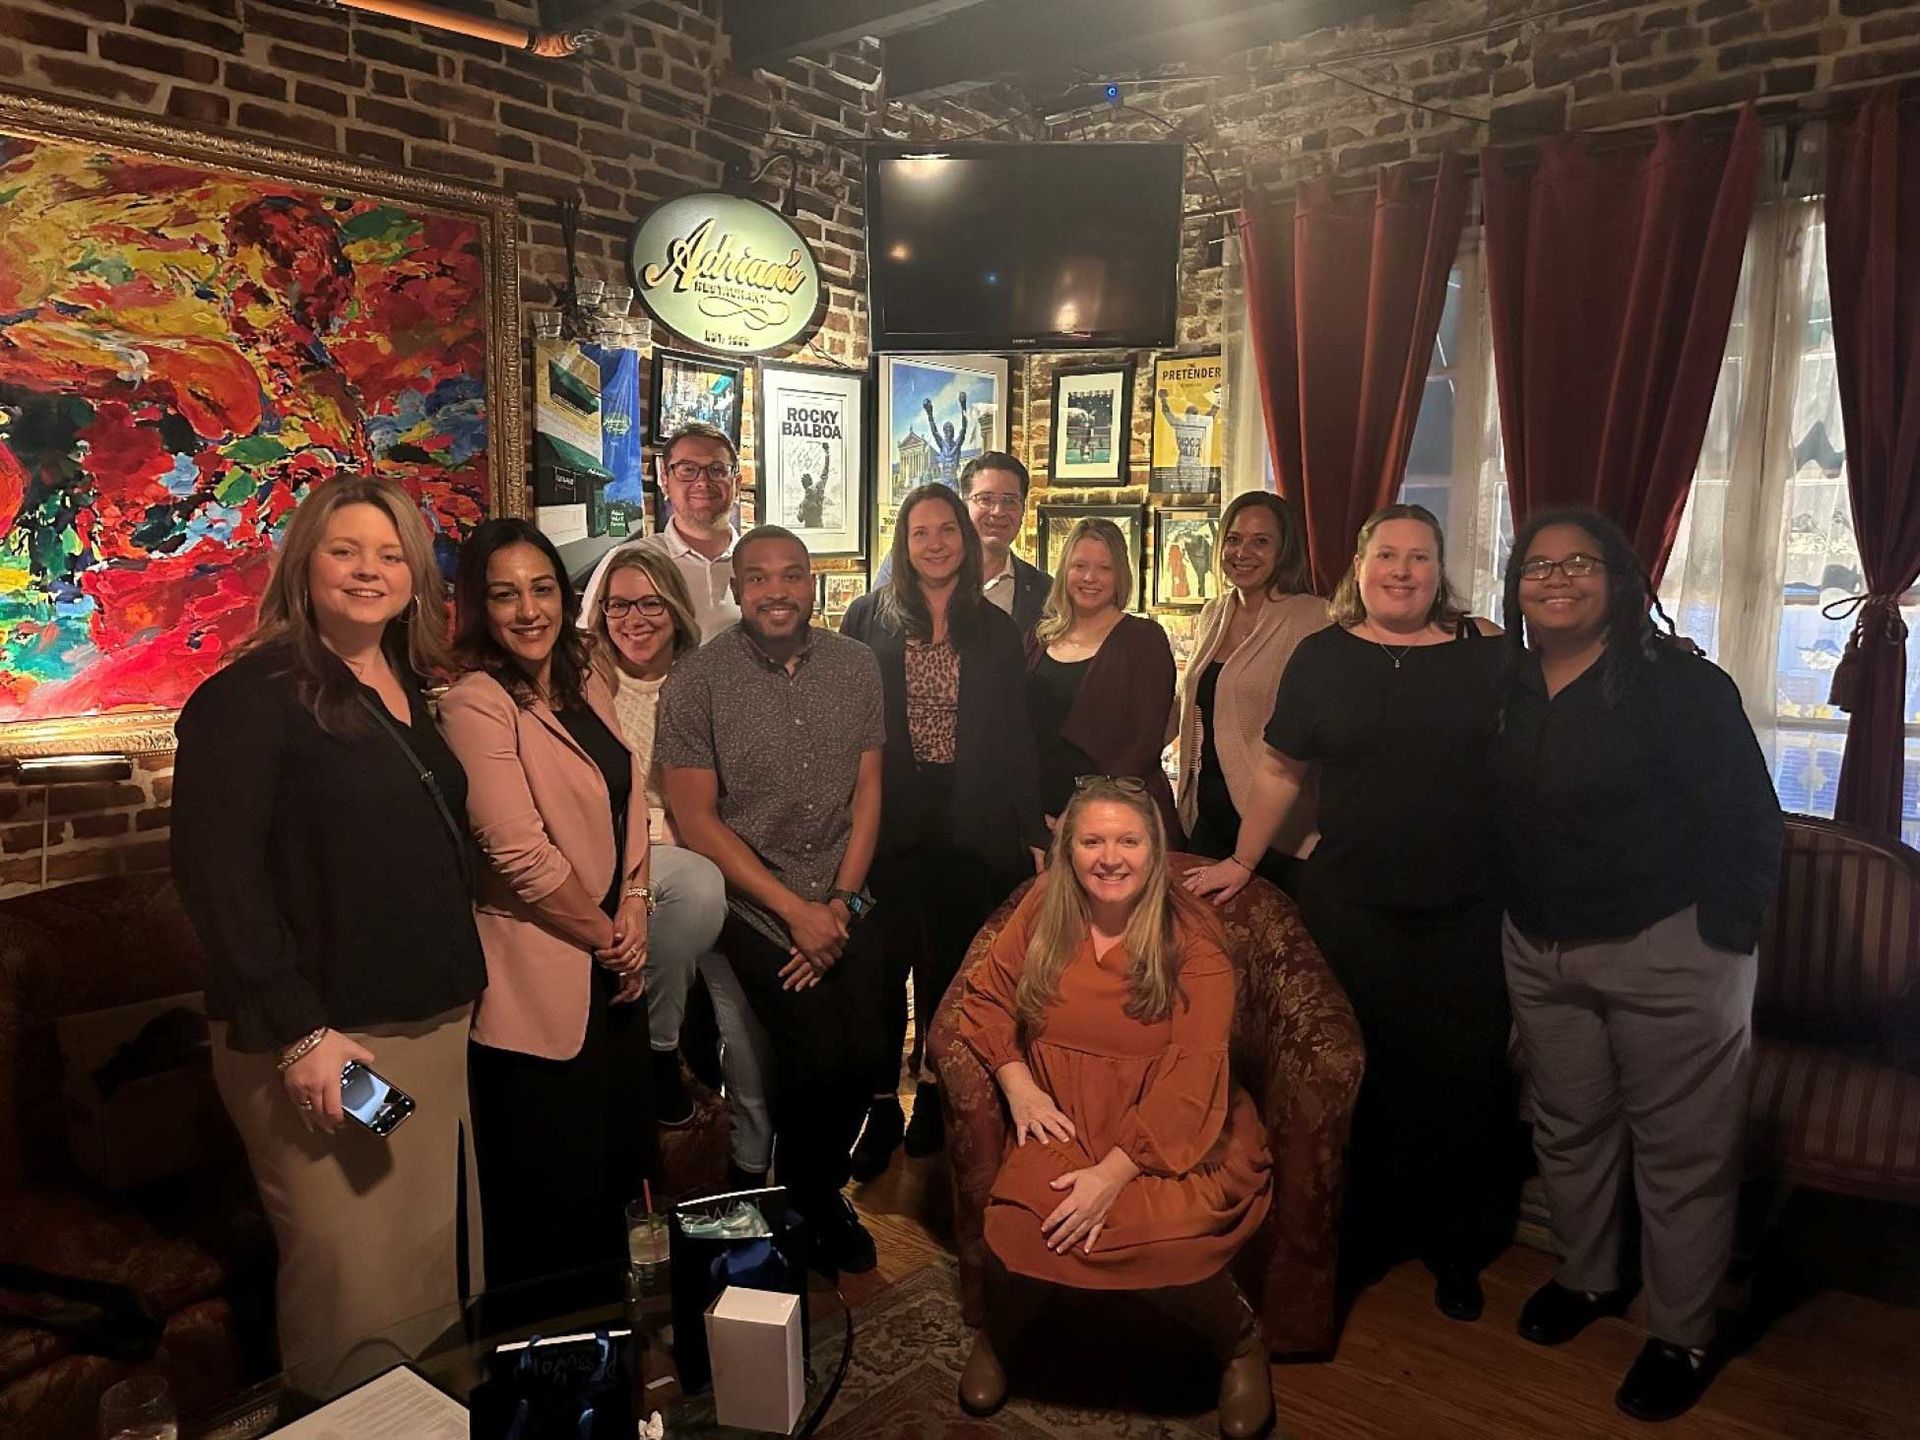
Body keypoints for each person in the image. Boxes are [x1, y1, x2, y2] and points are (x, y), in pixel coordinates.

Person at [171, 476, 487, 1397]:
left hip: (428, 1030)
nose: (369, 570)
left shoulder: (411, 690)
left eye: (391, 555)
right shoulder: (248, 699)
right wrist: (301, 1033)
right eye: (346, 550)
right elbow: (218, 881)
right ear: (304, 564)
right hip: (323, 1040)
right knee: (353, 1276)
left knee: (426, 1263)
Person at [1186, 503, 1514, 1321]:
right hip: (1353, 902)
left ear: (1440, 572)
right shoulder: (1323, 657)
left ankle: (1455, 1248)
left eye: (1420, 558)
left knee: (1460, 1078)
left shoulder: (1486, 655)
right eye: (1387, 556)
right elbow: (1280, 773)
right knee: (1354, 1071)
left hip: (1465, 904)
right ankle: (1355, 1233)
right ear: (1358, 568)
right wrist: (1241, 860)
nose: (1402, 571)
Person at [1490, 508, 1783, 1422]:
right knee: (1568, 1127)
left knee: (1682, 1153)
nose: (1558, 577)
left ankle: (1682, 1333)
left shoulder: (1680, 686)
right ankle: (1587, 1280)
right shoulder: (1505, 681)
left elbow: (1749, 821)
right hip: (1540, 948)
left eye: (1580, 562)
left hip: (1669, 948)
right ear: (1517, 584)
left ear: (1619, 577)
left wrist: (1721, 943)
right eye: (1538, 565)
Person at [945, 777, 1275, 1438]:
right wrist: (1019, 1084)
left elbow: (1194, 1074)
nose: (1110, 857)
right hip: (1062, 1116)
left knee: (1174, 1245)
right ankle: (1002, 1334)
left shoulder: (1196, 942)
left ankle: (1240, 1344)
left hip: (1171, 1130)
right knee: (1014, 1228)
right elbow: (982, 999)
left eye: (1128, 840)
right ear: (1067, 851)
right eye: (1092, 841)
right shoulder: (1044, 905)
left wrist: (1113, 1174)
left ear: (1156, 850)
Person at [657, 526, 891, 1275]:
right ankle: (797, 1204)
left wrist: (843, 906)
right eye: (759, 579)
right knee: (817, 1053)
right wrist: (797, 914)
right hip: (749, 900)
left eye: (793, 576)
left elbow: (869, 792)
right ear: (736, 588)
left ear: (813, 584)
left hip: (842, 893)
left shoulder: (858, 666)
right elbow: (695, 818)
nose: (777, 591)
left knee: (869, 1051)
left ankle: (816, 1191)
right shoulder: (696, 679)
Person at [439, 519, 656, 1290]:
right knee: (548, 1206)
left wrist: (636, 901)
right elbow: (516, 853)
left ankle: (614, 1359)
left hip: (611, 961)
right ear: (478, 607)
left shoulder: (583, 677)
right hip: (539, 977)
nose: (529, 611)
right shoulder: (474, 703)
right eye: (505, 595)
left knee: (610, 1179)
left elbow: (630, 800)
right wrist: (608, 936)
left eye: (541, 589)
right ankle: (554, 1376)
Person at [840, 483, 1047, 1177]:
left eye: (946, 531)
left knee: (949, 966)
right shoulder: (868, 617)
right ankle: (877, 1103)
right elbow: (845, 731)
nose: (934, 543)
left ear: (965, 539)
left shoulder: (991, 627)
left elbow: (1016, 736)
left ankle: (931, 1093)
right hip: (886, 817)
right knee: (875, 964)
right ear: (903, 542)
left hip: (968, 818)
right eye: (920, 532)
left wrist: (1031, 829)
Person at [586, 546, 772, 1186]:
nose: (633, 619)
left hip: (699, 848)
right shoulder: (584, 680)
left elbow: (729, 795)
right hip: (615, 857)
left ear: (674, 608)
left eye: (649, 603)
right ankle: (658, 1053)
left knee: (745, 1018)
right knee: (691, 888)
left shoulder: (705, 681)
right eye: (618, 604)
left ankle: (752, 1166)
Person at [1172, 492, 1328, 895]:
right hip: (1208, 812)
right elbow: (1195, 706)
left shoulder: (1312, 617)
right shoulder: (1213, 613)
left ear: (1284, 550)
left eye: (1261, 541)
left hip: (1278, 826)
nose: (1243, 552)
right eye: (1234, 539)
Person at [1025, 517, 1182, 842]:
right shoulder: (1038, 637)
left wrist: (1084, 809)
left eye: (1104, 568)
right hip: (1041, 818)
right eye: (1079, 565)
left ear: (1119, 575)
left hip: (1118, 818)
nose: (1089, 578)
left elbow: (1145, 741)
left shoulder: (1144, 639)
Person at [580, 422, 742, 640]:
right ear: (665, 481)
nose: (703, 481)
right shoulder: (624, 561)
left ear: (736, 484)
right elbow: (588, 646)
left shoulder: (761, 563)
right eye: (687, 469)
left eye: (717, 470)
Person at [874, 451, 1048, 638]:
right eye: (985, 499)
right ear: (963, 505)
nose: (998, 511)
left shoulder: (1043, 590)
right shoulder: (906, 563)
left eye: (1010, 501)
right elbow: (874, 636)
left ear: (1023, 509)